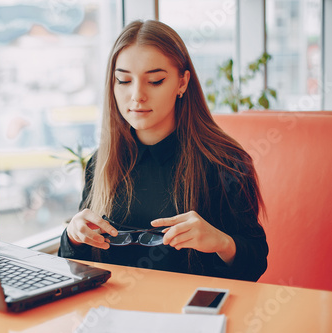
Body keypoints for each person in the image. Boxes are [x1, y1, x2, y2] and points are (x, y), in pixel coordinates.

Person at [58, 20, 268, 282]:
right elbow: (76, 266)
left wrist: (221, 242)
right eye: (123, 80)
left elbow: (256, 261)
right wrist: (74, 237)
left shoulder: (225, 162)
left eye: (155, 81)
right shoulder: (101, 162)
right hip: (112, 313)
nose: (137, 95)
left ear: (182, 83)